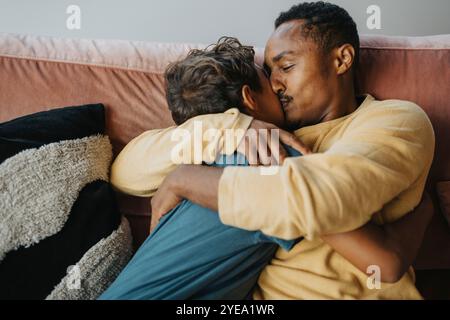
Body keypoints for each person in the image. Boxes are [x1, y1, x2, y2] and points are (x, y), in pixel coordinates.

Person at [130, 2, 435, 299]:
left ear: (341, 60)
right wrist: (229, 128)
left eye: (287, 66)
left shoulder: (394, 120)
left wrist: (187, 179)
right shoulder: (254, 136)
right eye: (269, 72)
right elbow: (127, 171)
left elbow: (322, 196)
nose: (275, 84)